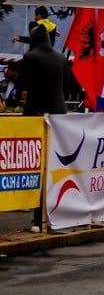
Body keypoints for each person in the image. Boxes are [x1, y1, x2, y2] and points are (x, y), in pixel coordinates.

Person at [16, 25, 68, 231]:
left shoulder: (30, 57)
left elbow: (22, 86)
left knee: (34, 168)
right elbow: (70, 87)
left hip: (35, 117)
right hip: (58, 118)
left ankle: (38, 218)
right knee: (55, 168)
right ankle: (53, 214)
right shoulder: (61, 58)